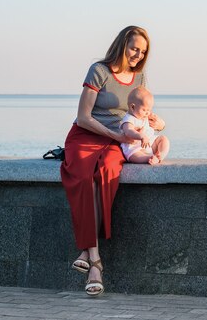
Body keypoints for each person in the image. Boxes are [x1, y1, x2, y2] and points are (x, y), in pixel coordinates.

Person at [60, 25, 166, 297]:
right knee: (83, 176)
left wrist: (150, 123)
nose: (138, 55)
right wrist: (114, 134)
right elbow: (83, 117)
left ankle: (86, 250)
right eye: (134, 48)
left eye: (142, 52)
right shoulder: (99, 70)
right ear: (122, 45)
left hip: (117, 140)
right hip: (86, 135)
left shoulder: (139, 77)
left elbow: (139, 110)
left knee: (107, 171)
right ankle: (95, 262)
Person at [120, 86, 170, 165]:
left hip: (149, 143)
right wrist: (141, 136)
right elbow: (128, 131)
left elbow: (156, 122)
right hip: (135, 147)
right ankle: (148, 158)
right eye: (144, 110)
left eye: (149, 110)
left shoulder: (144, 115)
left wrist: (157, 121)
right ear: (132, 107)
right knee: (134, 155)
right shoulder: (129, 119)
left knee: (163, 139)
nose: (147, 113)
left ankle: (160, 155)